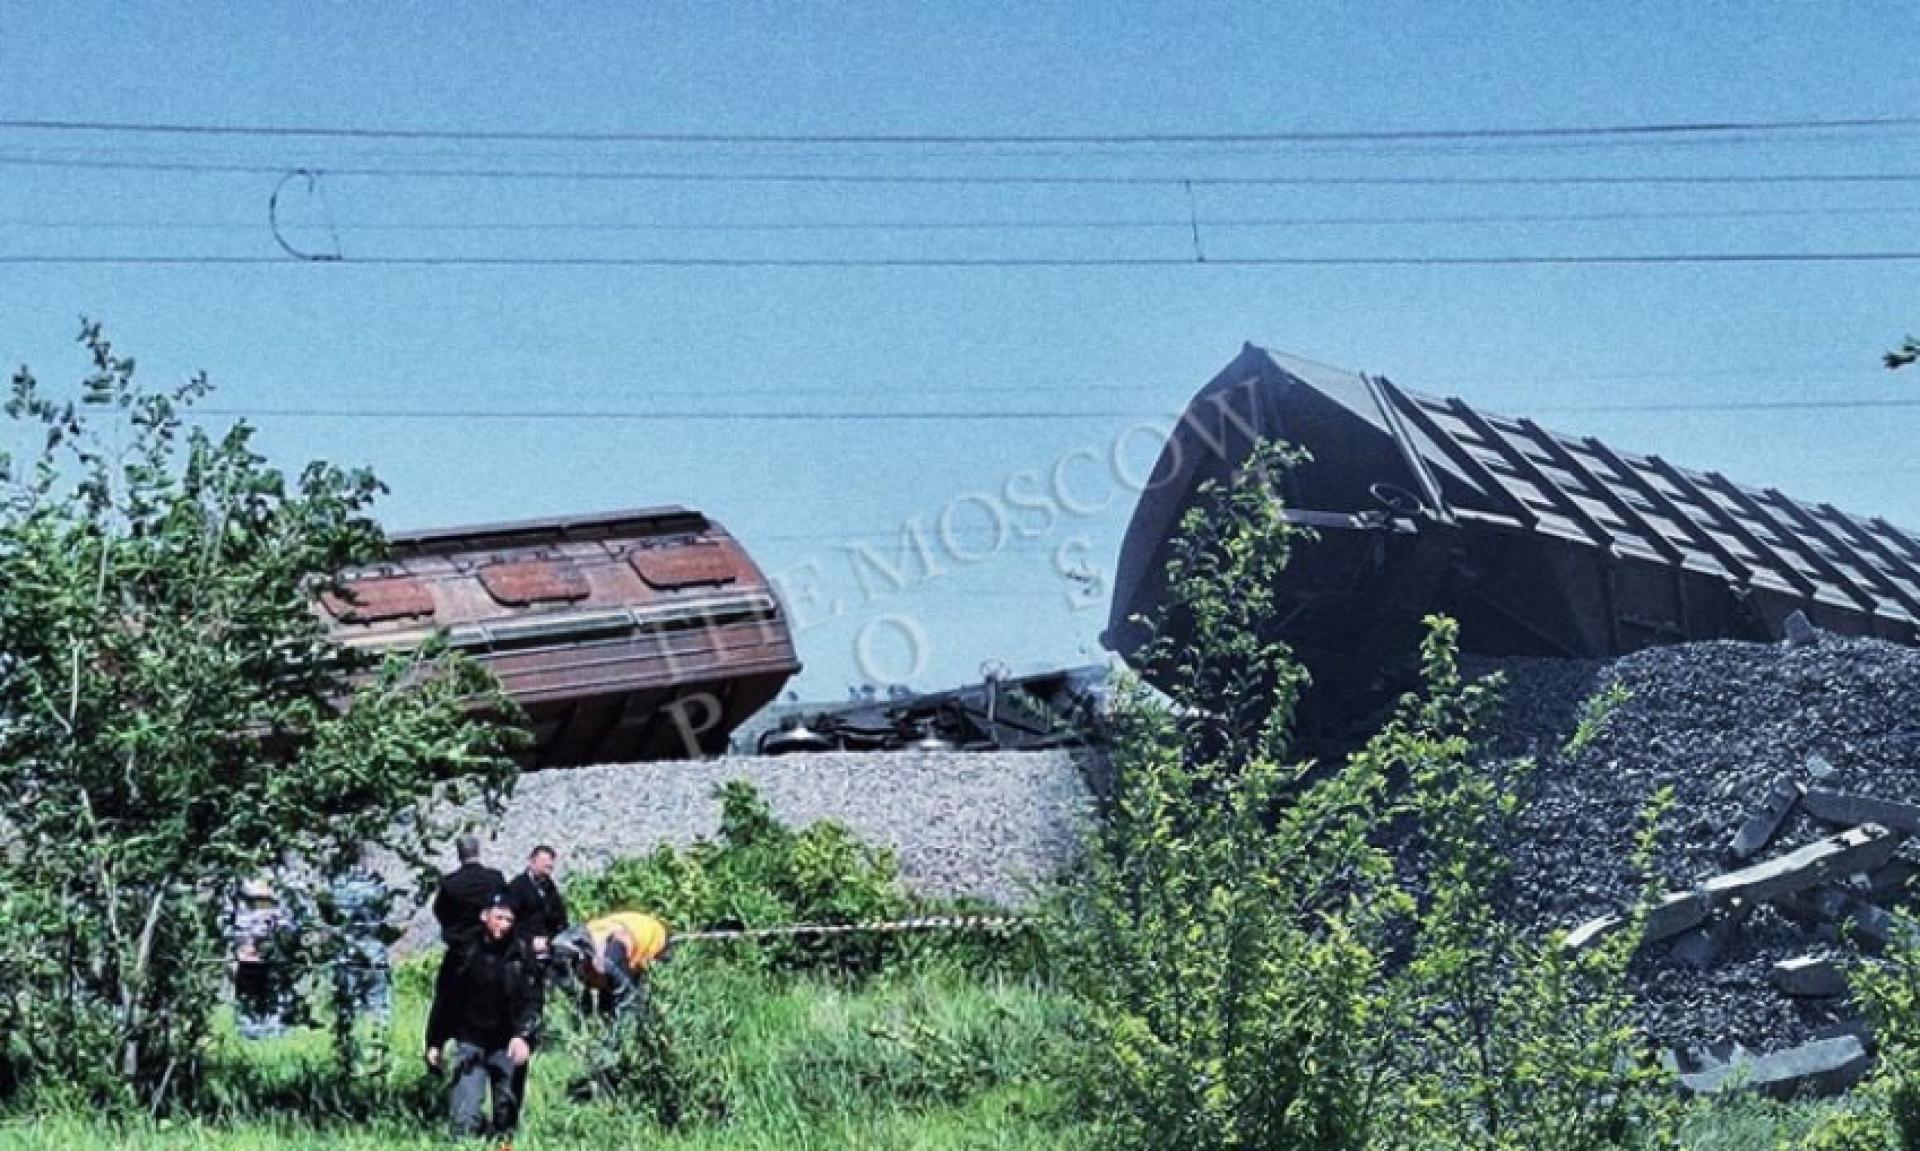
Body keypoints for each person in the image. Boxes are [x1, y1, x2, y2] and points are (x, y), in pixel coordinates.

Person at [425, 892, 544, 1142]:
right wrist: (435, 1041)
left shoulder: (522, 952)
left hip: (507, 1041)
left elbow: (533, 999)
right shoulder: (462, 952)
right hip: (471, 1039)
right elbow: (445, 999)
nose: (504, 924)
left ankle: (503, 1144)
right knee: (463, 1118)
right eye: (499, 917)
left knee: (506, 1116)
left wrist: (523, 1036)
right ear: (484, 916)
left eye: (509, 920)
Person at [429, 834, 507, 1057]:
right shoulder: (495, 879)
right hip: (493, 948)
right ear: (478, 850)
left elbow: (440, 912)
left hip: (461, 951)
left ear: (459, 853)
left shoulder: (450, 884)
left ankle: (437, 1044)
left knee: (447, 996)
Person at [550, 910, 670, 1019]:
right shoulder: (582, 942)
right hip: (628, 924)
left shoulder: (611, 959)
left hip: (654, 938)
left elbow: (629, 1000)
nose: (576, 977)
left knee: (628, 1004)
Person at [227, 876, 300, 1040]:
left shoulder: (286, 877)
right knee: (248, 999)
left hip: (275, 954)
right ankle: (249, 1033)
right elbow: (231, 918)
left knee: (276, 997)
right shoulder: (241, 878)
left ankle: (276, 1034)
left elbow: (291, 917)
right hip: (248, 954)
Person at [505, 844, 569, 961]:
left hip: (550, 944)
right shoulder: (517, 887)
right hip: (527, 948)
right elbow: (509, 923)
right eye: (544, 863)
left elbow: (560, 915)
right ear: (532, 862)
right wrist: (529, 941)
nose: (548, 869)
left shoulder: (549, 886)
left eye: (550, 866)